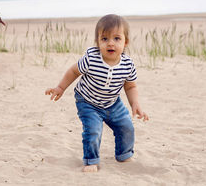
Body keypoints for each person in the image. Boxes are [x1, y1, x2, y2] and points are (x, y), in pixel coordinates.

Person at [45, 14, 149, 172]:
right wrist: (60, 88)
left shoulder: (128, 64)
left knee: (126, 127)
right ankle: (91, 161)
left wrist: (135, 103)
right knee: (93, 130)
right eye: (105, 39)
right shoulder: (91, 59)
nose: (110, 43)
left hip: (113, 102)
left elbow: (130, 86)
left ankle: (124, 155)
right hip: (87, 102)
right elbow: (74, 71)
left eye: (116, 38)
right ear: (98, 42)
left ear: (125, 42)